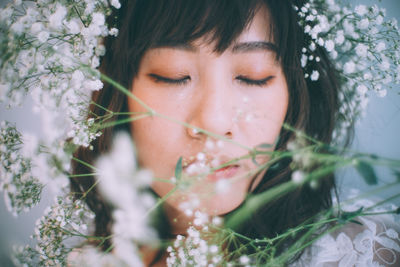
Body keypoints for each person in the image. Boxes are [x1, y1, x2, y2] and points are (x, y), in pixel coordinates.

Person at [70, 0, 400, 266]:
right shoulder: (90, 261)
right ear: (117, 94)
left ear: (296, 92)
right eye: (174, 75)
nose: (214, 122)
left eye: (252, 76)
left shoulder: (356, 254)